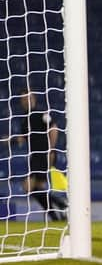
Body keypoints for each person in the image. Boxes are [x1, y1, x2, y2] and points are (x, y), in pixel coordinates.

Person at [16, 90, 67, 221]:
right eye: (23, 99)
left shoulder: (40, 114)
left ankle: (60, 206)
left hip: (43, 154)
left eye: (28, 98)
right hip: (35, 156)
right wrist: (8, 140)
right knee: (37, 188)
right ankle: (56, 212)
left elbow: (54, 128)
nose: (26, 101)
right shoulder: (25, 120)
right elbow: (22, 139)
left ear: (33, 99)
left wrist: (51, 149)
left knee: (29, 187)